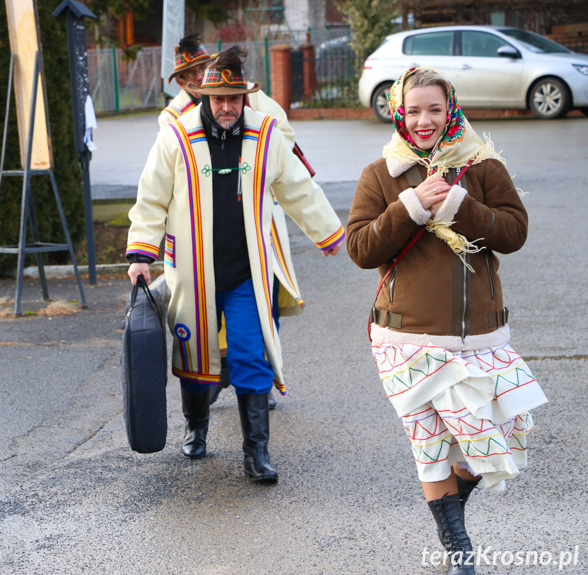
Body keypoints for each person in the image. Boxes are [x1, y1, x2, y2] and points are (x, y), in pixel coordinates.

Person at [345, 67, 547, 574]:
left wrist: (459, 204)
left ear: (450, 108)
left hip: (481, 336)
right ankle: (459, 549)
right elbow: (360, 247)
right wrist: (411, 206)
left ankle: (450, 507)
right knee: (430, 443)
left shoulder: (482, 166)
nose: (424, 120)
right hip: (405, 338)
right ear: (399, 112)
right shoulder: (380, 175)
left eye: (434, 109)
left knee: (509, 429)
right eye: (413, 110)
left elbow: (514, 233)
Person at [127, 46, 344, 483]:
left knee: (249, 356)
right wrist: (140, 254)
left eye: (234, 98)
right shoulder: (176, 135)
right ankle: (196, 427)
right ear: (204, 97)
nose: (227, 107)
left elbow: (297, 187)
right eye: (218, 98)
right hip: (193, 272)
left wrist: (327, 233)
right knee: (194, 356)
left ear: (246, 97)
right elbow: (151, 196)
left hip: (246, 274)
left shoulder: (265, 134)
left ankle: (255, 453)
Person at [160, 36, 314, 411]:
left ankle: (255, 377)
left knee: (263, 302)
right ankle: (211, 378)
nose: (200, 76)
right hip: (199, 233)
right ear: (184, 83)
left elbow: (286, 142)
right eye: (190, 73)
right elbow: (161, 183)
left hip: (257, 218)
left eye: (202, 67)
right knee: (200, 321)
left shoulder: (251, 99)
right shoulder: (172, 119)